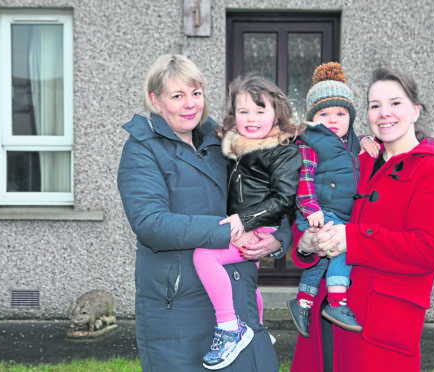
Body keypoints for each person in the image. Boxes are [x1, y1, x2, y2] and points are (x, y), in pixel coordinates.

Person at [117, 54, 292, 372]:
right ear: (156, 100)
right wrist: (231, 230)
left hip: (238, 300)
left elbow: (266, 191)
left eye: (196, 93)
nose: (190, 104)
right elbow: (150, 223)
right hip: (179, 310)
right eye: (177, 95)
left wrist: (277, 240)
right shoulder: (142, 148)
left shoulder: (222, 140)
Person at [289, 67, 434, 372]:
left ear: (415, 111)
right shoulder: (357, 159)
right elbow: (312, 207)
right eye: (375, 105)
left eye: (395, 103)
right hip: (325, 317)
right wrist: (305, 243)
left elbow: (430, 249)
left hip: (381, 331)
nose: (384, 113)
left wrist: (353, 239)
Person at [193, 75, 303, 370]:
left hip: (259, 224)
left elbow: (283, 199)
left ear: (277, 113)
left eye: (260, 110)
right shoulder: (233, 147)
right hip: (246, 223)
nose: (251, 119)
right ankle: (256, 328)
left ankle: (230, 328)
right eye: (243, 111)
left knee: (204, 256)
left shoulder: (284, 150)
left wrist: (245, 220)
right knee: (249, 282)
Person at [287, 62, 363, 338]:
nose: (333, 119)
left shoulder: (352, 142)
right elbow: (304, 178)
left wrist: (367, 141)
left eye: (341, 113)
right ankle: (337, 303)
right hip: (319, 210)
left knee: (320, 259)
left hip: (338, 211)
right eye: (324, 113)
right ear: (312, 118)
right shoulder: (310, 143)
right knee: (342, 249)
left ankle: (304, 302)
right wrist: (310, 210)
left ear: (350, 118)